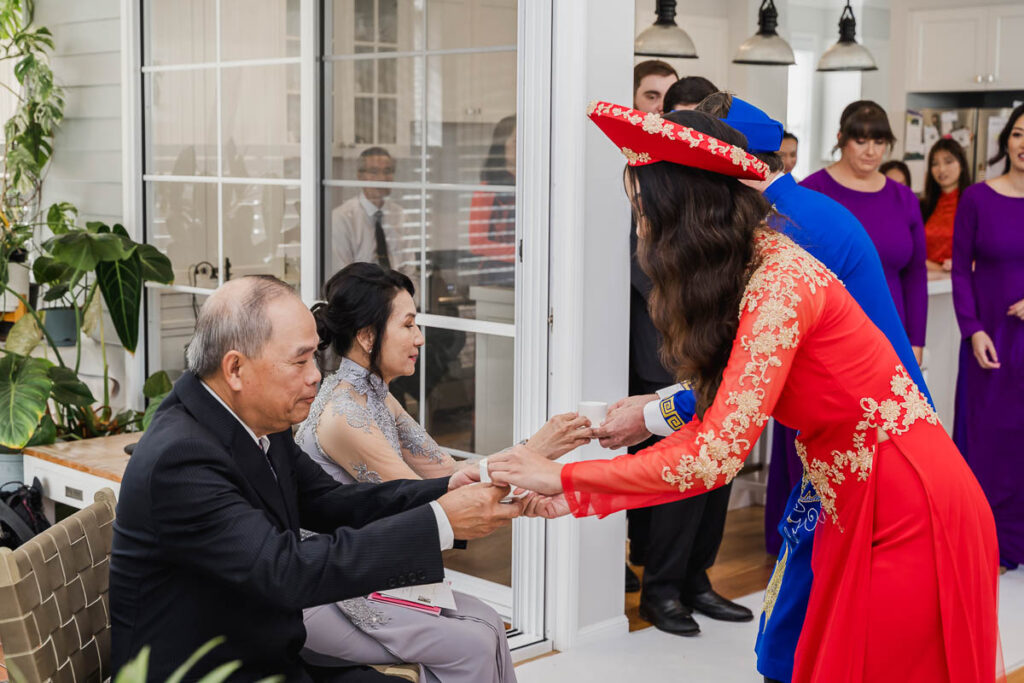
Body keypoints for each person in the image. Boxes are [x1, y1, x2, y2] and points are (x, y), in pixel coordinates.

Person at [489, 103, 1001, 683]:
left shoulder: (778, 282)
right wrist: (583, 484)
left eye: (642, 210)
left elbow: (716, 452)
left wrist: (565, 480)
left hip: (909, 506)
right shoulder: (750, 266)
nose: (639, 229)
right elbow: (733, 391)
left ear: (683, 208)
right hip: (853, 495)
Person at [596, 93, 932, 683]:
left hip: (880, 458)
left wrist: (638, 427)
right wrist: (655, 410)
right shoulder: (778, 222)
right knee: (795, 637)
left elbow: (736, 389)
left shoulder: (789, 233)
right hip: (843, 449)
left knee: (823, 644)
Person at [110, 275, 522, 682]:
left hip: (265, 651)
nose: (315, 376)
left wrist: (446, 489)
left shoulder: (259, 423)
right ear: (235, 368)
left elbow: (331, 501)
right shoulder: (181, 459)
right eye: (300, 360)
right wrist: (441, 522)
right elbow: (284, 572)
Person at [297, 263, 591, 682]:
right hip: (331, 585)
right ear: (366, 336)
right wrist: (536, 452)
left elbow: (448, 472)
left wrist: (532, 453)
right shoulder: (345, 413)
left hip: (367, 568)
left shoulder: (374, 396)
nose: (420, 338)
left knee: (490, 623)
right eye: (409, 324)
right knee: (471, 644)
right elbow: (432, 503)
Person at [624, 68, 747, 632]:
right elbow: (650, 277)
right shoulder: (649, 186)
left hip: (720, 352)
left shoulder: (721, 197)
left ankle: (698, 578)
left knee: (718, 474)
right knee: (676, 479)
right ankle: (661, 590)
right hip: (666, 356)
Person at [952, 103, 1024, 571]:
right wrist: (972, 328)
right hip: (989, 339)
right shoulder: (978, 197)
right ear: (1007, 140)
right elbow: (959, 268)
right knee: (984, 439)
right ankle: (986, 543)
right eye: (1019, 133)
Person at [802, 101, 927, 367]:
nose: (871, 151)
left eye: (879, 142)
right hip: (826, 338)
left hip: (891, 337)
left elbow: (916, 276)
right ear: (841, 140)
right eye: (861, 141)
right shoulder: (811, 192)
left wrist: (915, 342)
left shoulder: (903, 198)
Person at [331, 148, 418, 279]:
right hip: (360, 297)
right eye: (374, 172)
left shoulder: (400, 215)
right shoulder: (342, 218)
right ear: (360, 176)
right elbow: (342, 277)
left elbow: (410, 272)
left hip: (397, 294)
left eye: (387, 171)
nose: (382, 178)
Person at [469, 115, 517, 284]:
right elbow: (477, 242)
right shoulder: (487, 189)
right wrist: (518, 252)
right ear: (501, 146)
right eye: (516, 142)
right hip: (497, 277)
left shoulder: (532, 189)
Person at [921, 138, 970, 272]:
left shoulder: (975, 203)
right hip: (929, 281)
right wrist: (938, 268)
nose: (941, 169)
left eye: (948, 161)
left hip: (964, 280)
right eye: (935, 163)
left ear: (962, 165)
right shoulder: (923, 206)